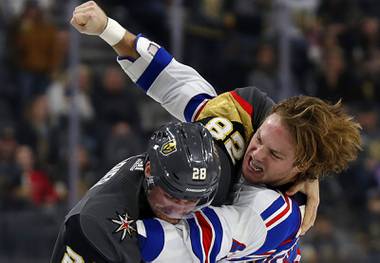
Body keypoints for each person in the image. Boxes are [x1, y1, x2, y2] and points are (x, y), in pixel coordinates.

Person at [70, 1, 362, 261]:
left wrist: (110, 223)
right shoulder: (244, 122)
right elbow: (175, 81)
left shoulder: (272, 213)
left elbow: (172, 246)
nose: (256, 153)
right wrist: (108, 29)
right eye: (260, 138)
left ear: (302, 166)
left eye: (273, 153)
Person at [50, 122, 221, 262]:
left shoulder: (163, 168)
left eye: (192, 200)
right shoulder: (102, 222)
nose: (179, 211)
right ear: (148, 171)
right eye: (171, 197)